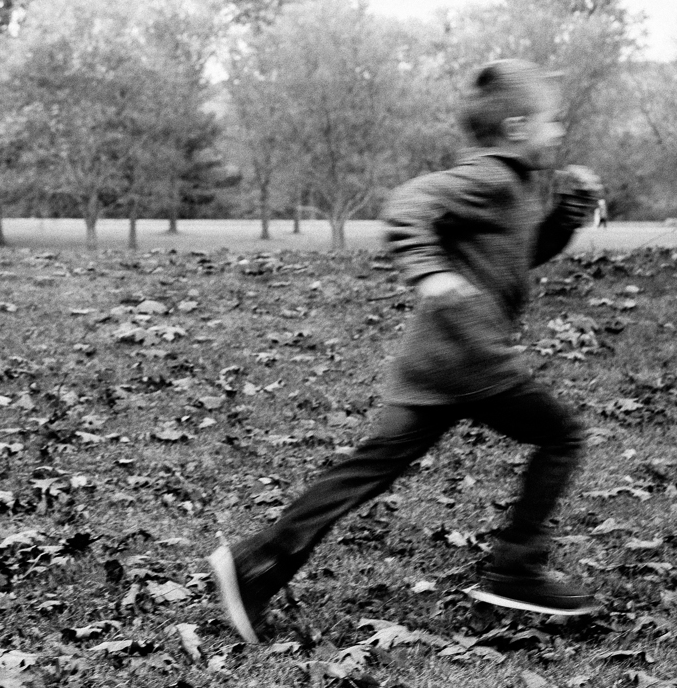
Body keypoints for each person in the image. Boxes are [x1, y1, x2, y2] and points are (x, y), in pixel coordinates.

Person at [208, 59, 603, 643]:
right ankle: (517, 567)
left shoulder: (516, 185)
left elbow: (518, 258)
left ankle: (256, 563)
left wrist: (564, 217)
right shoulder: (490, 178)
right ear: (518, 128)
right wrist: (428, 271)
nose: (559, 131)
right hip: (472, 359)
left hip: (434, 362)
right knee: (563, 435)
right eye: (553, 121)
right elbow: (408, 203)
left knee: (367, 470)